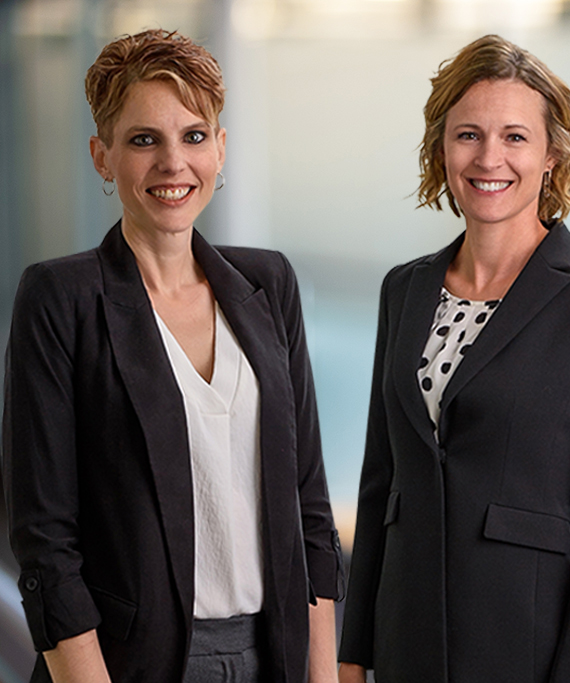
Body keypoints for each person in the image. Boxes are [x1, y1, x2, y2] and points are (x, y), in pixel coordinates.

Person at [2, 29, 344, 682]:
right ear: (102, 157)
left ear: (221, 147)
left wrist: (322, 675)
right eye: (142, 139)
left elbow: (311, 511)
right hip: (126, 665)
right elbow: (46, 544)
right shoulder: (61, 298)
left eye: (193, 136)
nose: (173, 163)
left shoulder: (268, 285)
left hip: (274, 654)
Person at [336, 34, 570, 683]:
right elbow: (379, 487)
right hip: (407, 646)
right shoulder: (405, 288)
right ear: (441, 148)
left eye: (515, 136)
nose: (489, 157)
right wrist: (353, 654)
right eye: (468, 135)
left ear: (551, 154)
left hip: (529, 648)